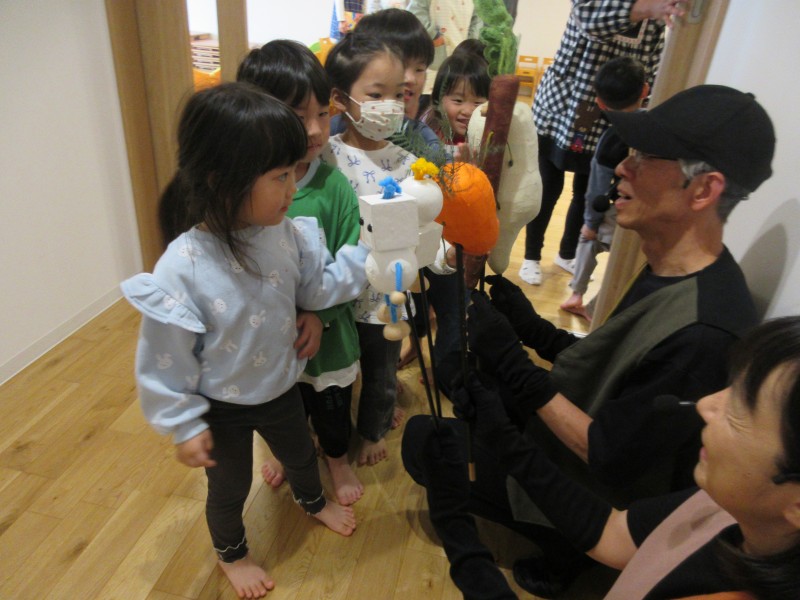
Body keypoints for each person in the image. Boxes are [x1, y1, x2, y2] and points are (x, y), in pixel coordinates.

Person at [404, 84, 775, 596]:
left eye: (645, 157)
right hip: (580, 447)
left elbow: (609, 456)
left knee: (421, 444)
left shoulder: (704, 333)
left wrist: (515, 367)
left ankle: (567, 555)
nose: (621, 167)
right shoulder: (676, 272)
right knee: (457, 402)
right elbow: (615, 366)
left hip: (598, 497)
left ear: (703, 190)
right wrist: (531, 330)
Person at [121, 83, 369, 599]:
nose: (292, 188)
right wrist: (183, 425)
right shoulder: (183, 266)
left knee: (300, 456)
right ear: (223, 180)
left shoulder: (286, 232)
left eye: (294, 173)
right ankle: (232, 554)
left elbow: (315, 288)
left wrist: (361, 261)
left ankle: (312, 500)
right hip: (221, 408)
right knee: (229, 488)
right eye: (280, 177)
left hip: (280, 387)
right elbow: (165, 360)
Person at [410, 315, 800, 599]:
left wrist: (454, 524)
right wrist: (503, 440)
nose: (706, 405)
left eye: (741, 411)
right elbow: (613, 534)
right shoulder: (723, 507)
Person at [236, 40, 366, 507]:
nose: (314, 130)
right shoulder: (246, 190)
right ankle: (290, 453)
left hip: (327, 339)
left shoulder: (335, 188)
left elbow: (354, 263)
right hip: (270, 338)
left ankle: (337, 457)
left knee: (331, 406)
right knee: (281, 408)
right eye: (297, 116)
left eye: (323, 114)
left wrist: (319, 314)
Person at [519, 0, 683, 286]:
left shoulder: (656, 15)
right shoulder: (649, 7)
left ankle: (567, 253)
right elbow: (587, 17)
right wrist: (646, 9)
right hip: (564, 104)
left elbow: (653, 62)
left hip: (613, 110)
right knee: (547, 185)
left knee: (588, 190)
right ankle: (531, 256)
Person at [322, 33, 416, 466]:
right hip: (337, 292)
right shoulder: (327, 156)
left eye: (398, 94)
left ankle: (374, 431)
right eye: (376, 95)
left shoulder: (407, 162)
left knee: (381, 371)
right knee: (337, 372)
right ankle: (331, 433)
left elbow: (419, 227)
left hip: (387, 296)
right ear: (342, 99)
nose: (390, 105)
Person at [560, 56, 649, 320]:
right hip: (646, 215)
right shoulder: (656, 127)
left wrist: (590, 222)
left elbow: (596, 189)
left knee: (588, 239)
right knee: (628, 264)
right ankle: (596, 307)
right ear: (645, 90)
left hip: (615, 213)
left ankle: (577, 294)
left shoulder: (611, 138)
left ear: (599, 103)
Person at [330, 8, 441, 158]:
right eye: (401, 66)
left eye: (419, 69)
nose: (410, 79)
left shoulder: (424, 142)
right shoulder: (332, 132)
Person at [419, 42, 490, 156]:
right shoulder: (427, 133)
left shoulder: (487, 140)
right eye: (458, 101)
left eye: (477, 103)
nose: (468, 111)